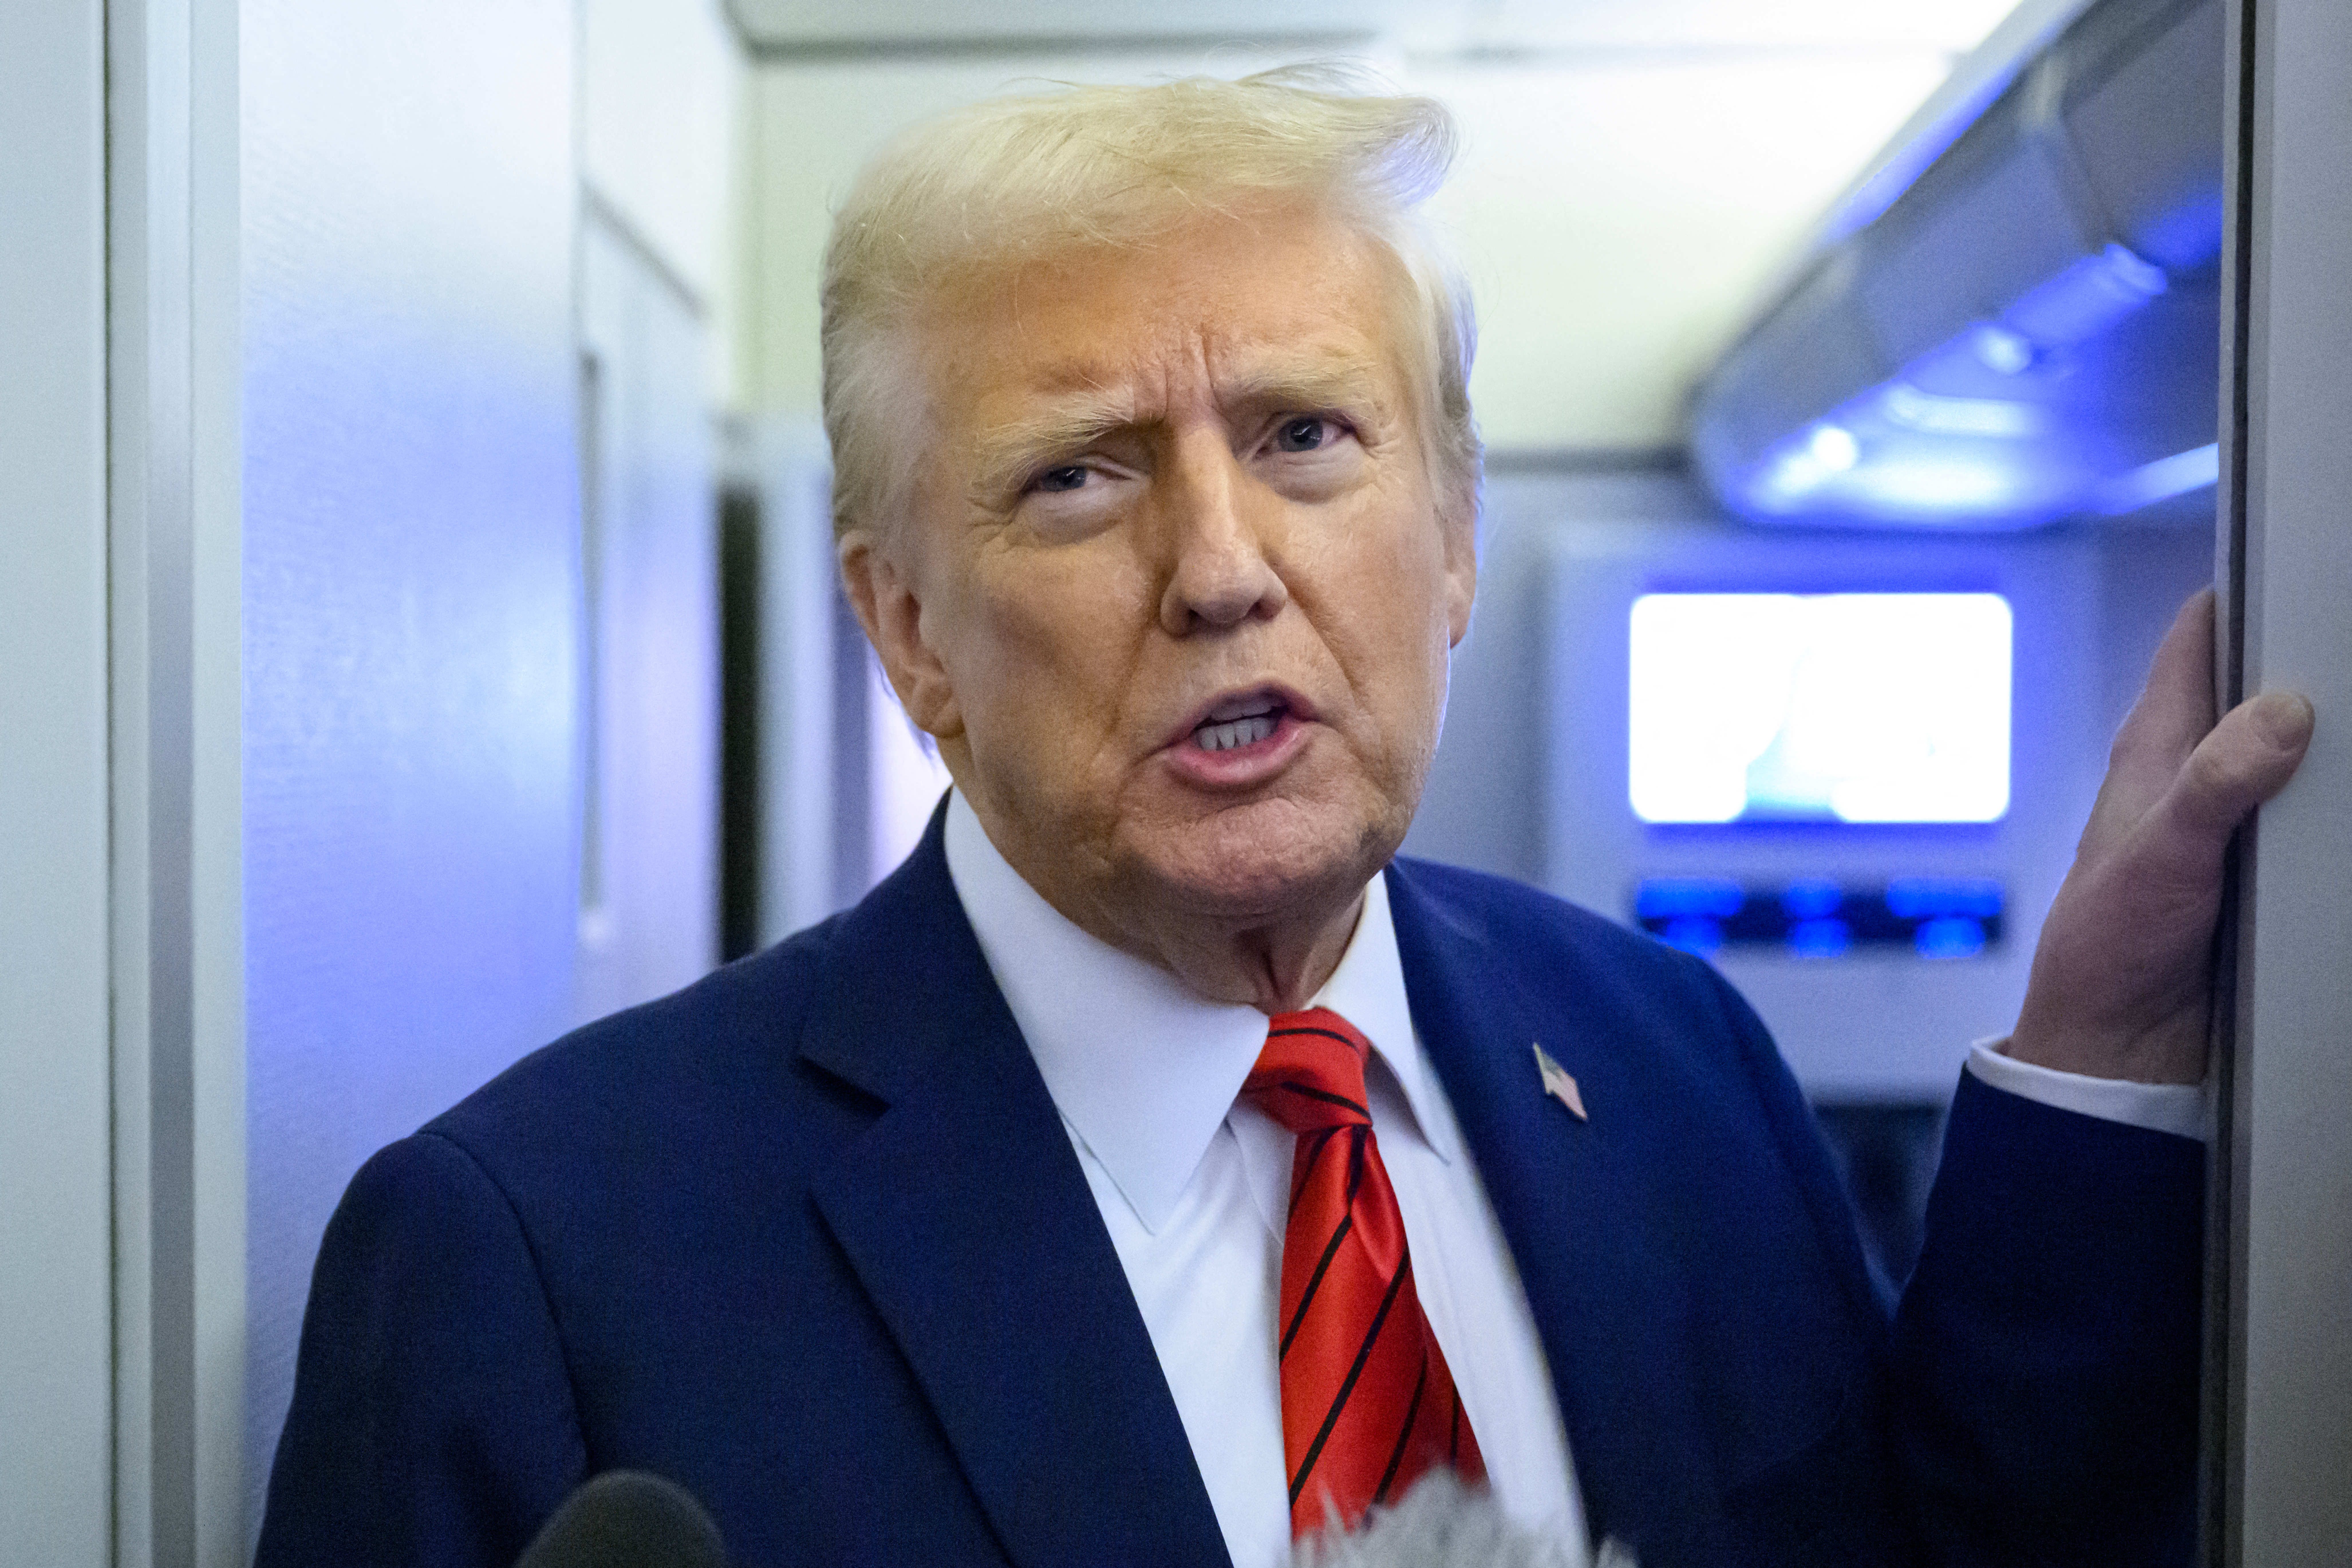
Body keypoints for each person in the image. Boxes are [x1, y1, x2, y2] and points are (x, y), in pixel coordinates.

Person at [254, 70, 2314, 1568]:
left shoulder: (1665, 1056)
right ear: (908, 634)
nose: (1223, 568)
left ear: (1454, 541)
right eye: (1079, 476)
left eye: (1307, 437)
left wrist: (2101, 1055)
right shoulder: (537, 1263)